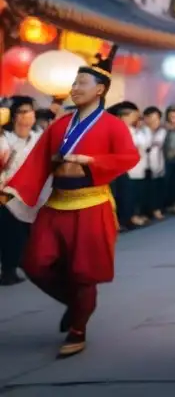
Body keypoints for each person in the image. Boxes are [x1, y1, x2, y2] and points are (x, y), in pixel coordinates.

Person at [0, 47, 139, 357]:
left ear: (100, 90)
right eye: (74, 84)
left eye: (81, 84)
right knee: (33, 262)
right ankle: (75, 304)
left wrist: (90, 161)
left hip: (91, 204)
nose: (75, 89)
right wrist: (14, 190)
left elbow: (129, 157)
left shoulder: (113, 125)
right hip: (57, 203)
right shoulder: (60, 125)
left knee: (83, 272)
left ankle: (78, 328)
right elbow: (37, 162)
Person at [0, 96, 48, 286]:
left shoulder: (39, 137)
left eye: (31, 111)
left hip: (32, 194)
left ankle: (24, 262)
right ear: (13, 116)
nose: (28, 116)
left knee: (30, 232)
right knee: (10, 233)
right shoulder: (5, 139)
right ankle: (8, 270)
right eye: (23, 111)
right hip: (6, 194)